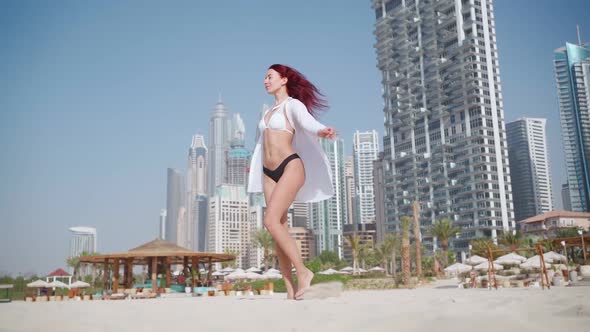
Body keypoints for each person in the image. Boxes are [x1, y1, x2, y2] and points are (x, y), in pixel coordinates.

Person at [247, 64, 336, 300]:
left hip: (290, 166)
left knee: (270, 221)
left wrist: (322, 131)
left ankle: (304, 272)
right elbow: (260, 144)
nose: (265, 81)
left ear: (284, 80)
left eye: (269, 77)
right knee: (279, 229)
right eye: (264, 77)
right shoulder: (266, 112)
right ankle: (290, 290)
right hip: (268, 172)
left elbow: (307, 123)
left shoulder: (292, 105)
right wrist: (252, 165)